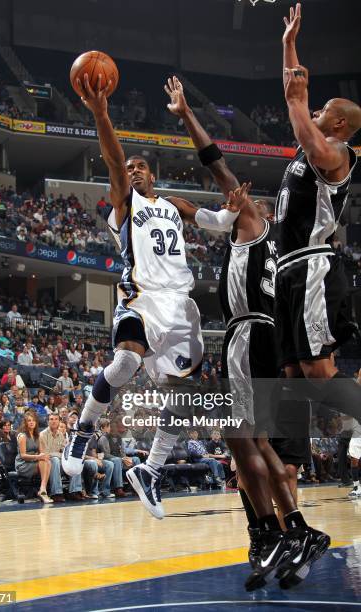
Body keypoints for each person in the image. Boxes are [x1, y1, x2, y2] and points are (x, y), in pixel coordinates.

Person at [163, 74, 329, 591]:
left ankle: (283, 533)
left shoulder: (253, 221)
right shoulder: (272, 246)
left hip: (250, 337)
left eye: (239, 200)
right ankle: (285, 533)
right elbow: (206, 213)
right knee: (248, 442)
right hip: (263, 340)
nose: (234, 197)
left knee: (244, 439)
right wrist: (188, 210)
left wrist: (186, 114)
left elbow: (214, 162)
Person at [62, 68, 240, 506]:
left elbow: (216, 222)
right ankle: (83, 430)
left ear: (153, 174)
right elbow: (111, 158)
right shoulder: (125, 203)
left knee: (184, 396)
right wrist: (102, 114)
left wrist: (232, 211)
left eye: (140, 166)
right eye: (129, 168)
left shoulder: (174, 203)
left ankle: (152, 470)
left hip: (181, 307)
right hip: (141, 297)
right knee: (124, 366)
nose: (133, 170)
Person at [277, 3, 361, 424]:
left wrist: (298, 92)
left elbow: (299, 110)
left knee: (317, 373)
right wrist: (289, 45)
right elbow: (294, 95)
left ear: (341, 123)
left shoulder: (338, 153)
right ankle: (285, 474)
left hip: (313, 267)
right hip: (288, 269)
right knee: (292, 375)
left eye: (323, 108)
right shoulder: (309, 143)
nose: (316, 110)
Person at [40, 413, 83, 502]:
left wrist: (67, 456)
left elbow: (65, 451)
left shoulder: (60, 435)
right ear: (48, 421)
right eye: (51, 419)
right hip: (47, 464)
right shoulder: (43, 434)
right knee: (55, 460)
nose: (54, 421)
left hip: (59, 463)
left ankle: (74, 491)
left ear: (59, 421)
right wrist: (58, 455)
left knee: (74, 460)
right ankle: (56, 493)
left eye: (56, 419)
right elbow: (46, 454)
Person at [15, 413, 53, 504]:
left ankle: (43, 490)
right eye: (29, 421)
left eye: (33, 420)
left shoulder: (37, 436)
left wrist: (44, 455)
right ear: (25, 423)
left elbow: (41, 452)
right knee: (44, 463)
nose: (31, 422)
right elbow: (23, 455)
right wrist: (38, 456)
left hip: (34, 461)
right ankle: (43, 491)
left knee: (47, 461)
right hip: (23, 464)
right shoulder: (22, 436)